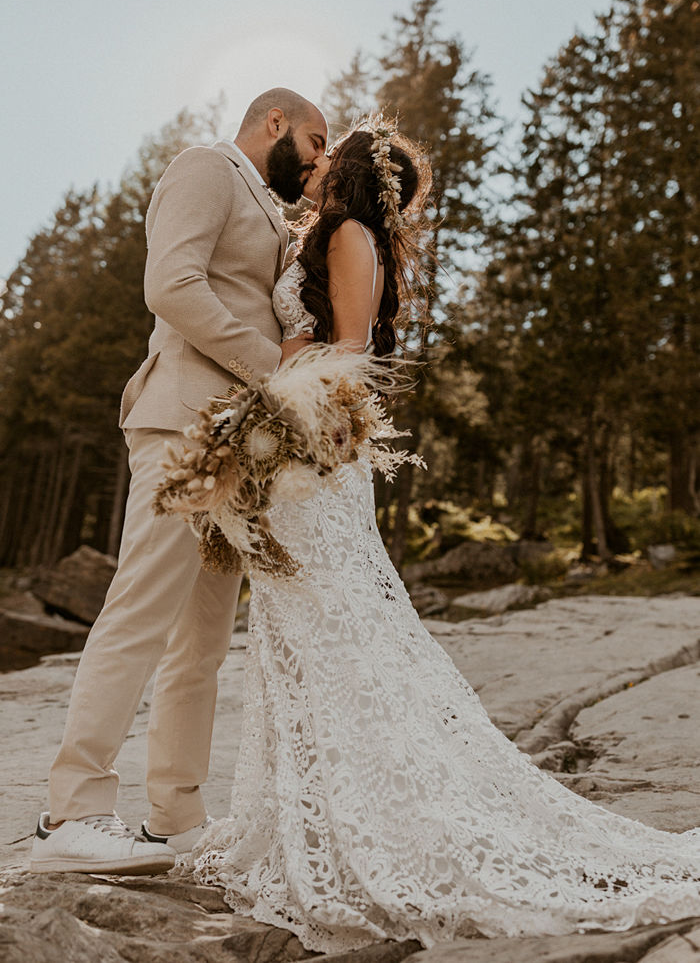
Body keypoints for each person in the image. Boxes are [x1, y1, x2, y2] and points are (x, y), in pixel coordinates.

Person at [189, 120, 700, 953]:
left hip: (315, 448)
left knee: (338, 631)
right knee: (294, 635)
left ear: (348, 170)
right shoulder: (319, 235)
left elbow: (348, 353)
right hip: (290, 452)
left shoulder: (352, 236)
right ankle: (306, 818)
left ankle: (376, 829)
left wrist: (274, 393)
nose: (311, 165)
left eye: (324, 155)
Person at [30, 88, 328, 875]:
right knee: (139, 613)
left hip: (237, 450)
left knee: (199, 645)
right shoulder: (206, 166)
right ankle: (75, 810)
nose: (320, 158)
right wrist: (276, 377)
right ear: (275, 124)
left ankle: (176, 818)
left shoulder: (270, 209)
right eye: (314, 138)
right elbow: (172, 285)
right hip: (181, 424)